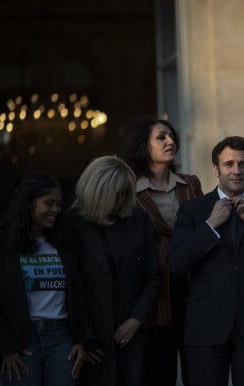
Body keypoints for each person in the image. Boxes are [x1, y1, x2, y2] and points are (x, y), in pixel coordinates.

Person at [168, 136, 244, 386]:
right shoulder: (192, 210)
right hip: (206, 324)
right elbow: (176, 265)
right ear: (216, 169)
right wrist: (210, 225)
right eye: (229, 164)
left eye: (243, 164)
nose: (236, 170)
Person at [0, 172, 94, 386]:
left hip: (62, 339)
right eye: (48, 203)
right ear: (29, 203)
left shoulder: (65, 240)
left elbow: (79, 291)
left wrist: (82, 340)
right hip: (20, 341)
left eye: (59, 204)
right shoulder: (1, 242)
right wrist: (6, 347)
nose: (56, 210)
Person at [66, 155, 161, 386]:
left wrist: (136, 319)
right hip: (90, 338)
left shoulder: (139, 220)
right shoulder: (71, 224)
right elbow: (71, 285)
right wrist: (83, 338)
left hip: (130, 333)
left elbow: (154, 276)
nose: (122, 200)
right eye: (117, 194)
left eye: (126, 193)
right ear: (98, 192)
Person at [125, 117, 203, 386]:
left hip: (193, 287)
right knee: (160, 372)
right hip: (155, 293)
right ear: (143, 146)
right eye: (161, 137)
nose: (170, 141)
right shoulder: (129, 190)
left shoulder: (190, 183)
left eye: (172, 137)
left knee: (199, 371)